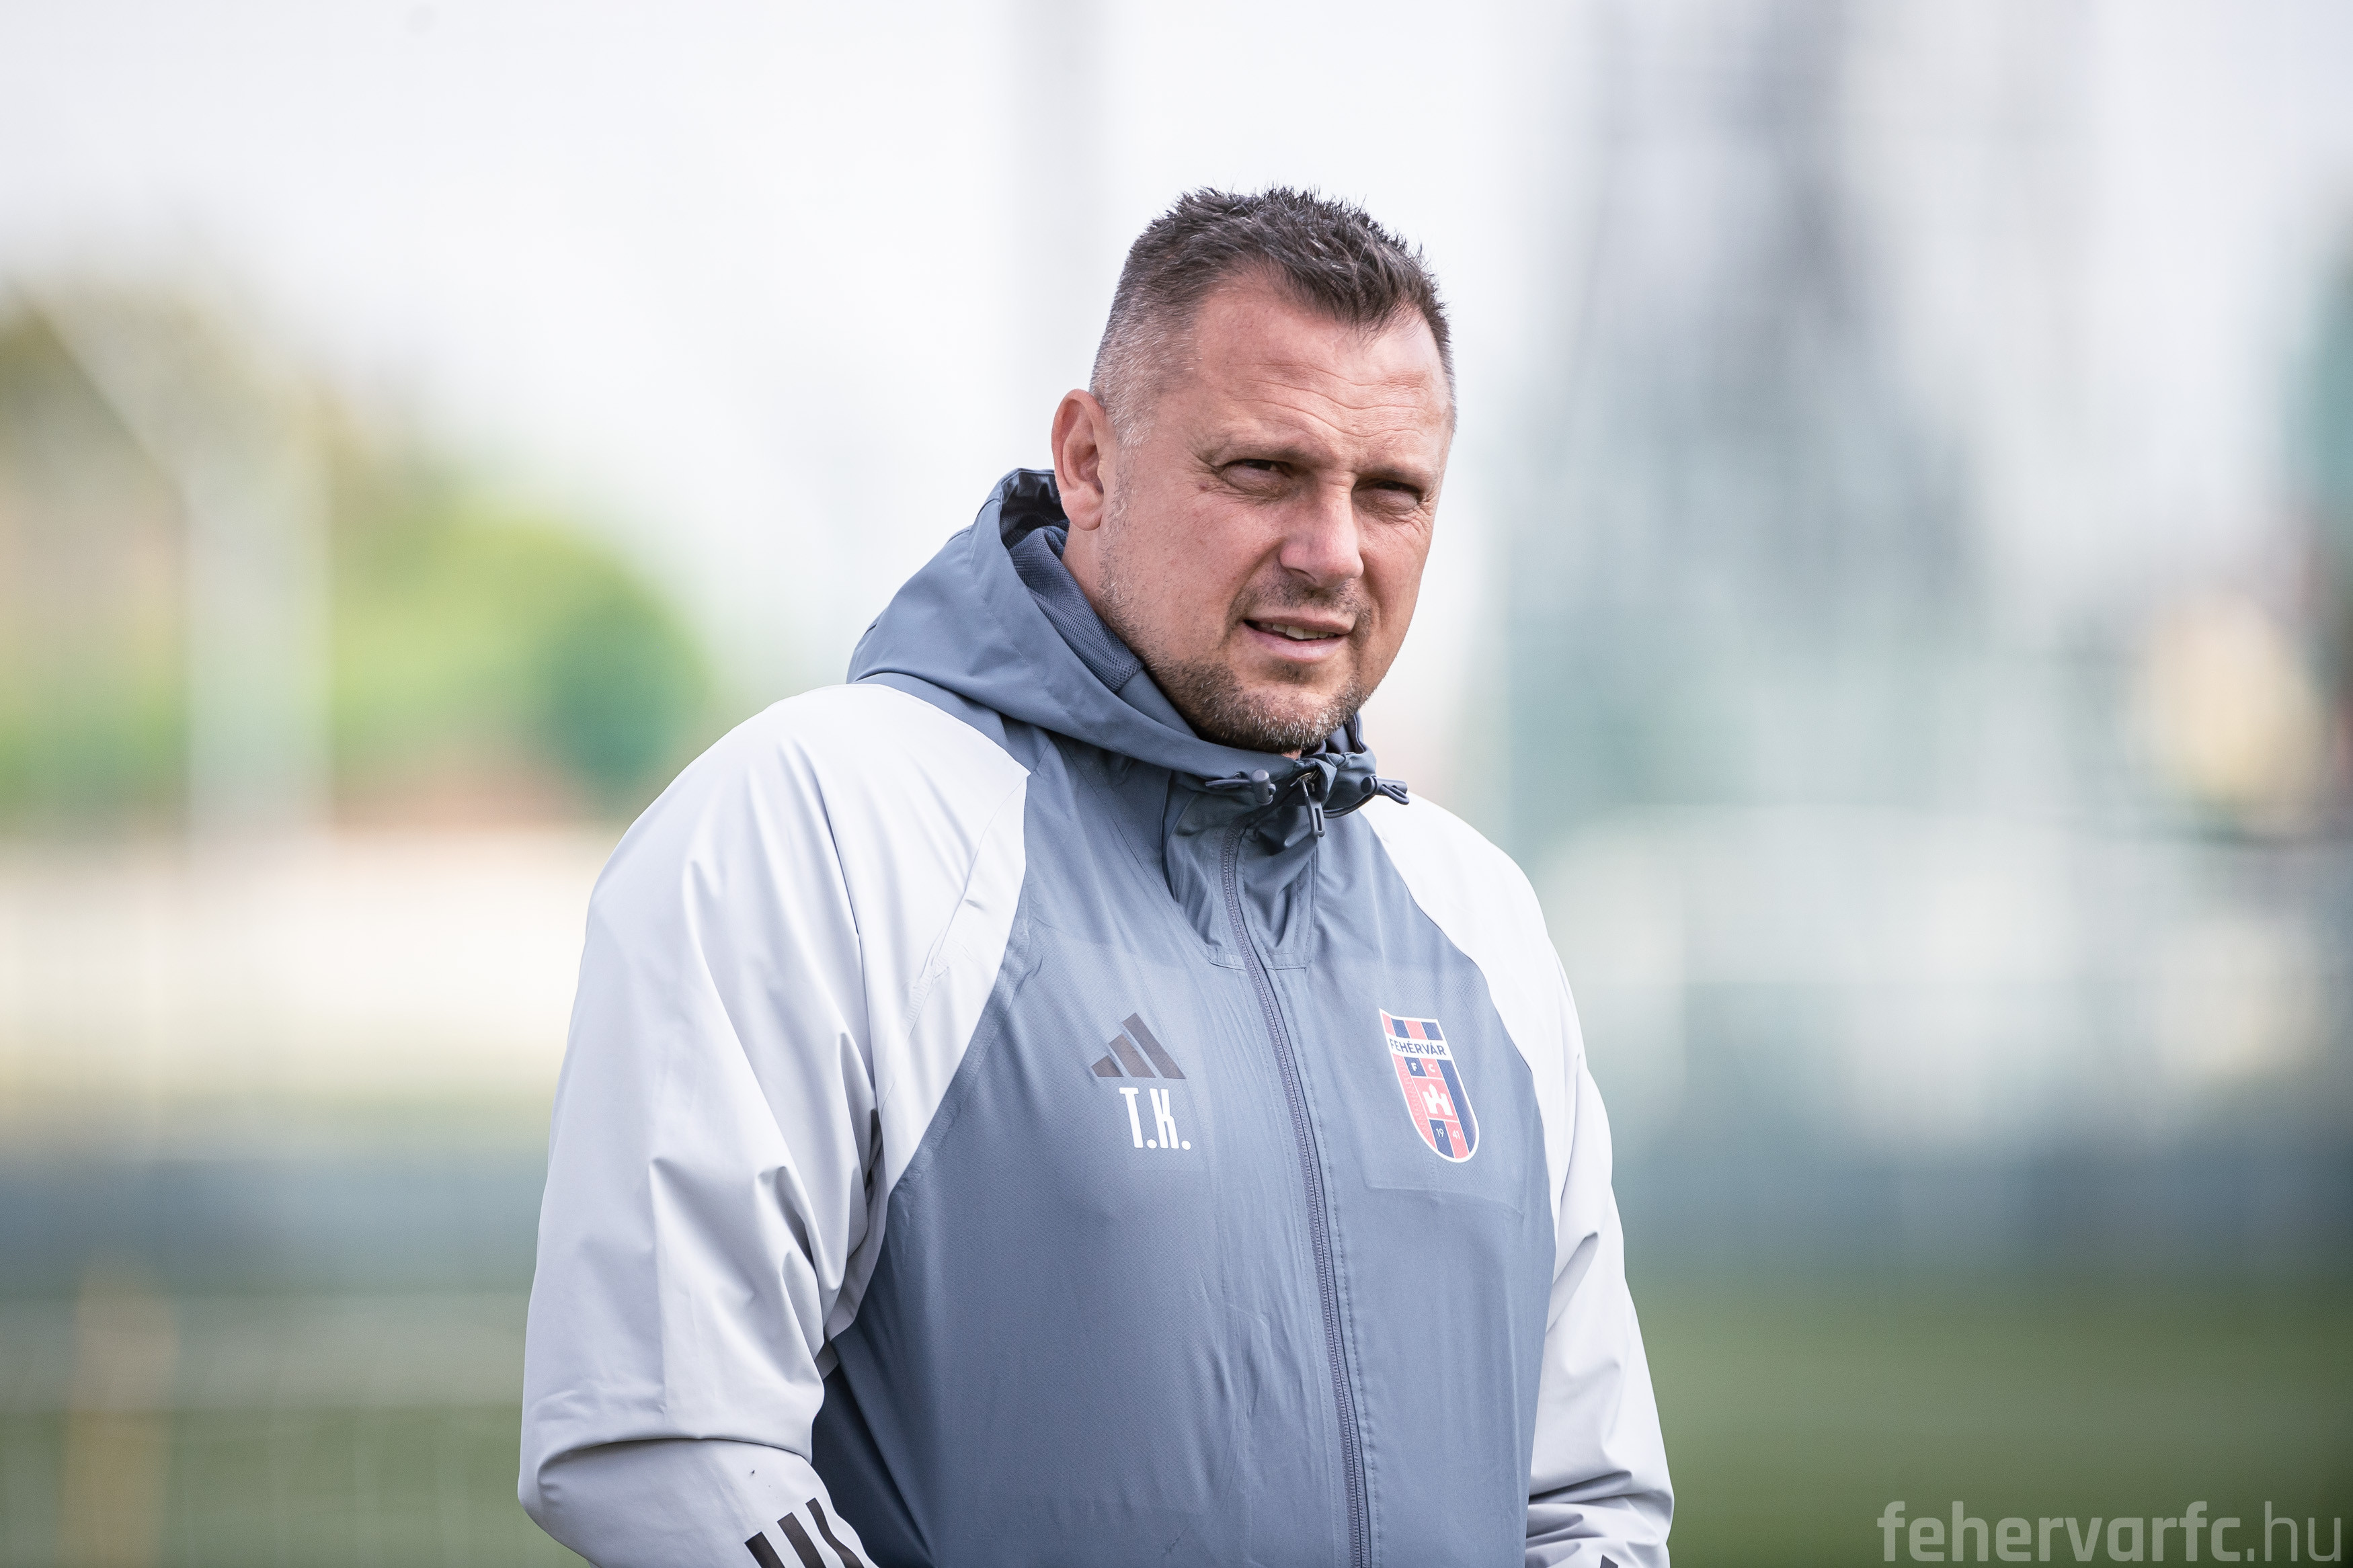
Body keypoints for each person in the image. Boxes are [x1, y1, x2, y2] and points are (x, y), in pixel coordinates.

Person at [520, 187, 1673, 1568]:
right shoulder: (822, 822)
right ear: (1088, 462)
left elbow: (1588, 1503)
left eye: (1392, 493)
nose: (1331, 552)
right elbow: (665, 1435)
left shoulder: (1477, 917)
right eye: (1263, 471)